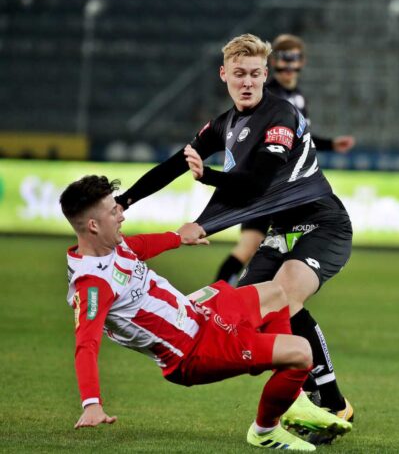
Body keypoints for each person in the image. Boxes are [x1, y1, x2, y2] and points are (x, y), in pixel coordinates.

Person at [114, 33, 354, 441]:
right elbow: (176, 163)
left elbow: (257, 181)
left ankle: (330, 404)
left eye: (256, 75)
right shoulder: (225, 123)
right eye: (239, 74)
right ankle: (310, 398)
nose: (248, 82)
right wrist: (125, 200)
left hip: (322, 222)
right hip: (280, 228)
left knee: (286, 295)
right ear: (224, 75)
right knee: (257, 317)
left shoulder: (279, 118)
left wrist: (208, 177)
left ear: (265, 76)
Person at [60, 175, 351, 451]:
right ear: (93, 226)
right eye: (113, 211)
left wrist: (177, 238)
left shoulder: (113, 246)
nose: (121, 214)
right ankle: (265, 430)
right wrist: (91, 403)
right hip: (193, 351)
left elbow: (139, 246)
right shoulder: (92, 287)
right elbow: (86, 345)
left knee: (276, 293)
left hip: (197, 312)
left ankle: (293, 399)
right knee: (301, 352)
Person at [216, 33, 355, 286]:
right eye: (283, 60)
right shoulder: (268, 96)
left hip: (286, 188)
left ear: (301, 63)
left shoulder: (297, 97)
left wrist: (330, 144)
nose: (288, 68)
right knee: (250, 248)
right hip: (267, 182)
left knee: (262, 251)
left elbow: (300, 137)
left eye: (293, 60)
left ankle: (229, 302)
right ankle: (219, 300)